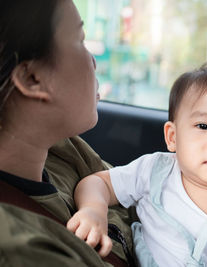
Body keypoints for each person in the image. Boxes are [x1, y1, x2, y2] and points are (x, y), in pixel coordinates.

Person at [67, 37, 207, 267]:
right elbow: (99, 183)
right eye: (203, 126)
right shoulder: (154, 171)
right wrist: (93, 211)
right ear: (172, 137)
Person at [0, 0, 137, 266]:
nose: (94, 61)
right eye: (80, 39)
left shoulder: (58, 148)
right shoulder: (24, 251)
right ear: (32, 79)